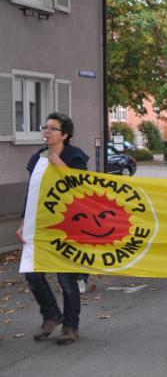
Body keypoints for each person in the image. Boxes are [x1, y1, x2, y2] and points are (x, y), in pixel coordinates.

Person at [16, 112, 89, 345]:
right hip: (41, 224)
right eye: (45, 128)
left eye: (52, 128)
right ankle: (51, 315)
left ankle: (70, 326)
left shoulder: (76, 157)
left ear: (64, 135)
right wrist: (23, 222)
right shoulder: (37, 158)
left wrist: (60, 165)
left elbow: (81, 190)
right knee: (32, 274)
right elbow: (31, 193)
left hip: (68, 227)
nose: (46, 132)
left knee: (66, 278)